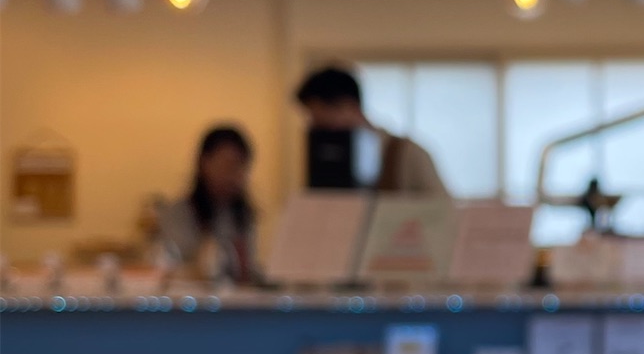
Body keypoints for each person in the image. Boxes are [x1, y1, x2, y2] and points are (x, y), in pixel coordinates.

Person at [294, 66, 449, 196]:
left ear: (349, 107)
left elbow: (444, 212)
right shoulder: (319, 158)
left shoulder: (407, 153)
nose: (315, 128)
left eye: (323, 122)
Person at [157, 125, 259, 284]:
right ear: (204, 163)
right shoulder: (178, 214)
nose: (236, 175)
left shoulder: (243, 216)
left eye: (242, 167)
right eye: (229, 165)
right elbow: (176, 267)